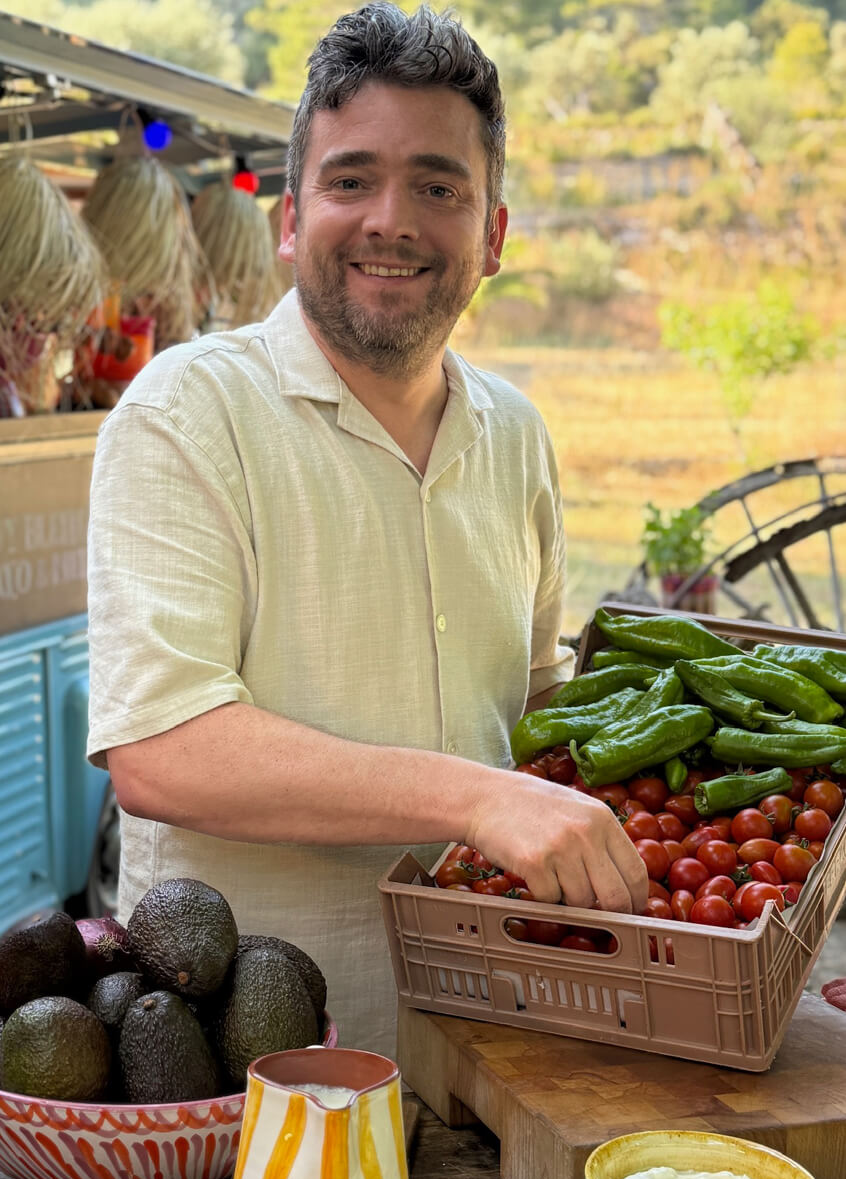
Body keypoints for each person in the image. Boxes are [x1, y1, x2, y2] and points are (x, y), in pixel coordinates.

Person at [86, 2, 646, 1055]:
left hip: (502, 1043)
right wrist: (479, 797)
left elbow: (527, 707)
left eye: (438, 186)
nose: (392, 219)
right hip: (243, 1076)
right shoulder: (186, 415)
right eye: (351, 180)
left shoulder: (516, 435)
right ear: (291, 218)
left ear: (492, 235)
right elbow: (163, 749)